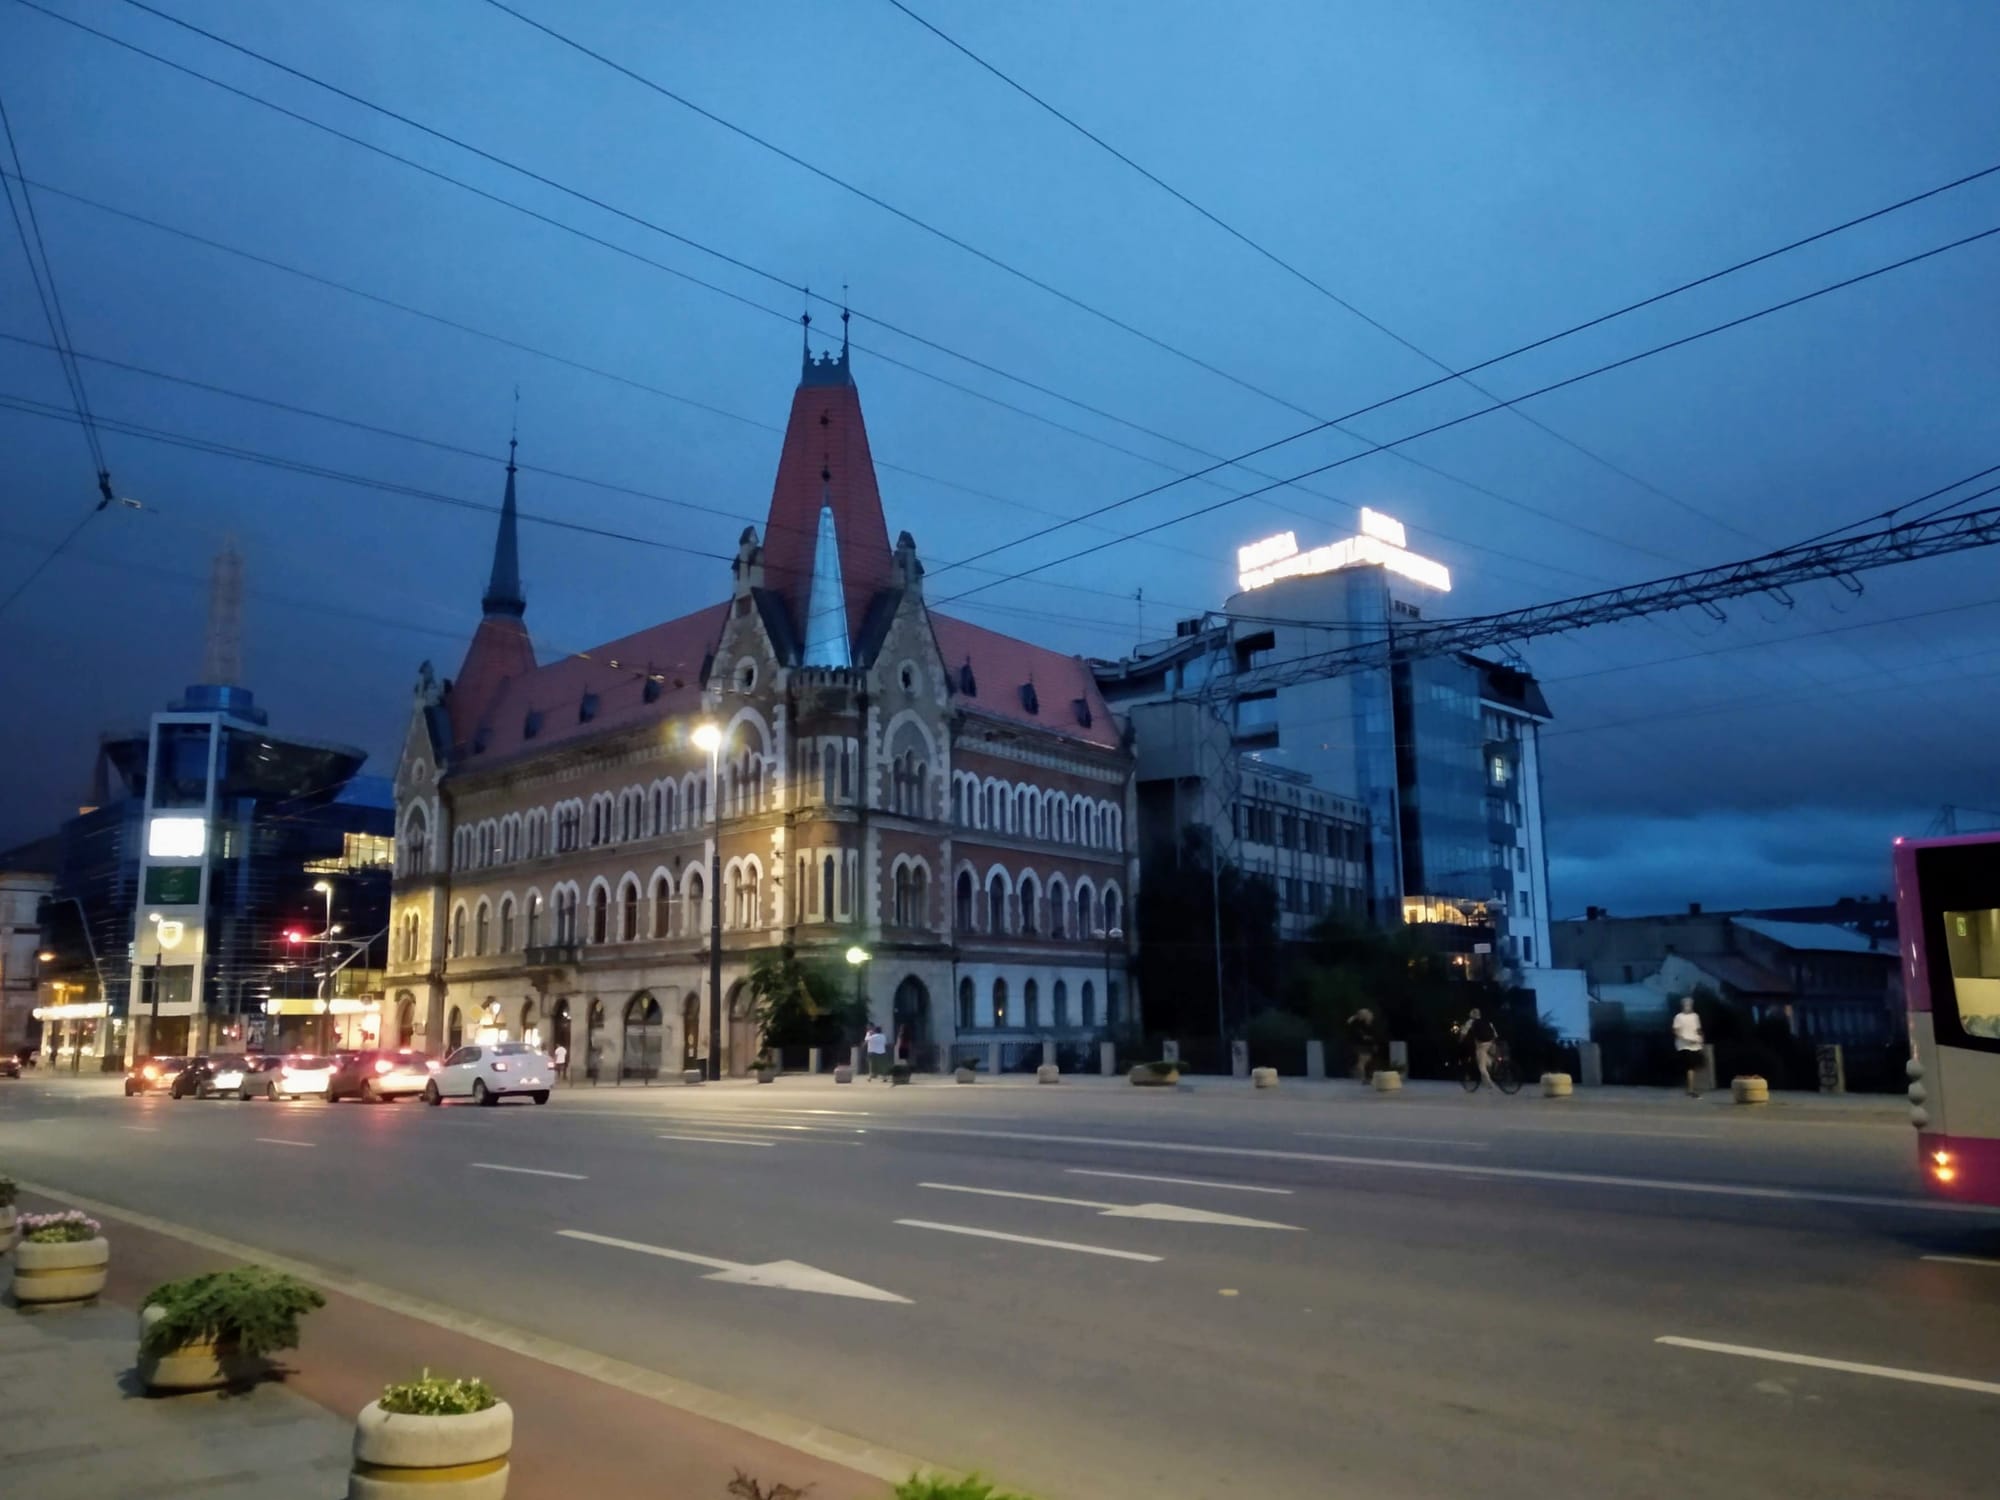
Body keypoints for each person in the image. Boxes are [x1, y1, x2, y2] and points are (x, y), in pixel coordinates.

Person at [1672, 996, 1705, 1097]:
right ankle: (1690, 1089)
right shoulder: (1679, 1017)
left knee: (1694, 1067)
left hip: (1695, 1044)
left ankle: (1691, 1087)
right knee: (1690, 1067)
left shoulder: (1695, 1016)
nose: (1688, 1006)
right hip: (1684, 1045)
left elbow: (1698, 1029)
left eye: (1689, 1004)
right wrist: (1685, 1039)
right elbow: (1676, 1031)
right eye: (1686, 1004)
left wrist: (1701, 1038)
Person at [1463, 1007, 1498, 1088]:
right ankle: (1492, 1068)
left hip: (1481, 1045)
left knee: (1481, 1066)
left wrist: (1461, 1040)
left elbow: (1463, 1033)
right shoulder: (1486, 1021)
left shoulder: (1471, 1022)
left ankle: (1490, 1084)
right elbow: (1495, 1034)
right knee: (1485, 1059)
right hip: (1490, 1043)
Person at [1345, 1008, 1378, 1081]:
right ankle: (1362, 1077)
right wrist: (1355, 1017)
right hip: (1360, 1044)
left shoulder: (1369, 1023)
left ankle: (1360, 1073)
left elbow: (1373, 1034)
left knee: (1366, 1060)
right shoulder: (1358, 1023)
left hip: (1367, 1044)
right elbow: (1350, 1026)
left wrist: (1372, 1041)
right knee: (1362, 1061)